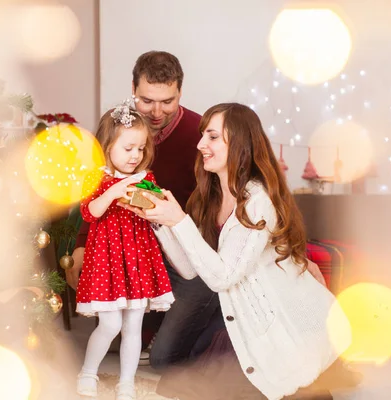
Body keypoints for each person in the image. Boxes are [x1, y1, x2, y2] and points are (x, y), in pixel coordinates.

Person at [122, 103, 353, 399]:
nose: (200, 144)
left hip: (268, 316)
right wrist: (161, 222)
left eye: (213, 137)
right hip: (237, 310)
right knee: (179, 379)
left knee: (237, 387)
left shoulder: (258, 200)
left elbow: (222, 277)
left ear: (240, 143)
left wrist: (178, 220)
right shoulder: (210, 196)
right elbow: (192, 269)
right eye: (203, 135)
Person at [68, 51, 221, 369]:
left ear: (180, 92)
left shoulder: (199, 134)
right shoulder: (117, 126)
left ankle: (193, 324)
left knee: (165, 357)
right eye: (147, 100)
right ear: (133, 90)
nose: (156, 111)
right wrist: (83, 244)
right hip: (126, 242)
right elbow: (99, 185)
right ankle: (134, 327)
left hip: (184, 250)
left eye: (168, 101)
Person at [75, 101, 175, 400]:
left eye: (141, 149)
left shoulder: (146, 178)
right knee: (110, 322)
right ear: (108, 146)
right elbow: (89, 212)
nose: (136, 156)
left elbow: (155, 210)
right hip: (107, 262)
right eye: (129, 148)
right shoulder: (98, 177)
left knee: (134, 324)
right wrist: (114, 191)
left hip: (137, 261)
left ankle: (127, 383)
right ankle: (88, 372)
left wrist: (153, 199)